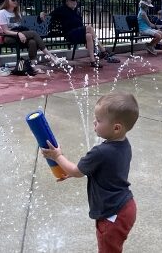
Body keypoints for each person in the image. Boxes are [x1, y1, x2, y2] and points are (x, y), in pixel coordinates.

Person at [41, 92, 139, 253]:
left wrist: (57, 156)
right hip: (125, 207)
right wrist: (71, 172)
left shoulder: (100, 152)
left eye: (99, 120)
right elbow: (101, 171)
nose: (94, 122)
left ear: (116, 128)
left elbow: (77, 171)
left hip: (112, 215)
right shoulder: (124, 145)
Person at [41, 0, 119, 68]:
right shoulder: (61, 9)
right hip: (70, 34)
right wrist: (42, 13)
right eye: (72, 0)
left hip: (77, 33)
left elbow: (80, 25)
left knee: (89, 35)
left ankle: (93, 61)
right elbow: (48, 14)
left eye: (75, 0)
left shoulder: (76, 12)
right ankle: (103, 51)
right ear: (67, 1)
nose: (75, 2)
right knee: (89, 28)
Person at [0, 0, 59, 73]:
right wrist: (18, 34)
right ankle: (49, 56)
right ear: (6, 1)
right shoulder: (2, 13)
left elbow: (24, 24)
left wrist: (40, 16)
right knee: (33, 33)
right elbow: (5, 31)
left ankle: (33, 67)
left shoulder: (17, 13)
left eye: (17, 0)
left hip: (20, 34)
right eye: (13, 0)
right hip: (9, 36)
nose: (16, 1)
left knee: (32, 42)